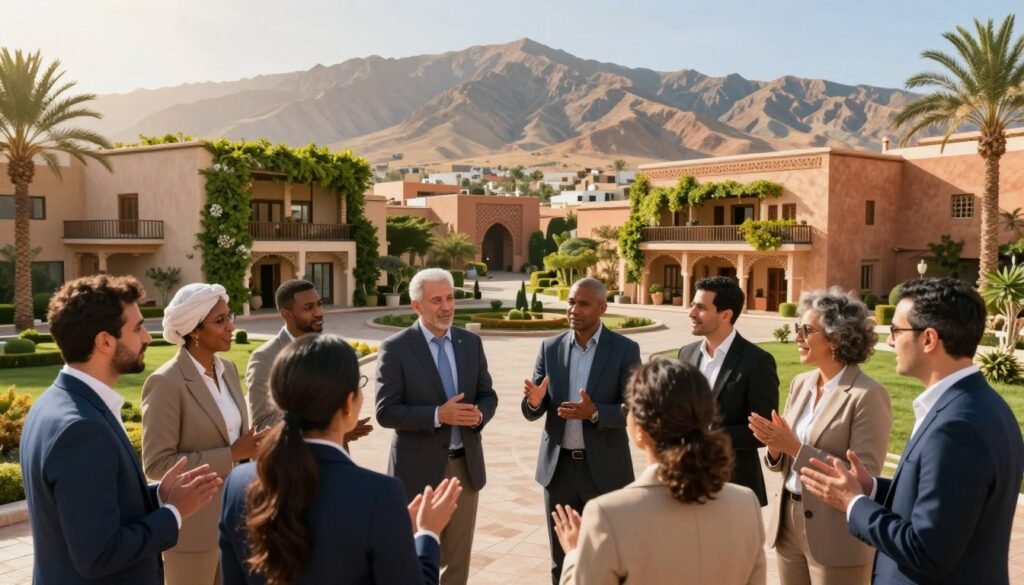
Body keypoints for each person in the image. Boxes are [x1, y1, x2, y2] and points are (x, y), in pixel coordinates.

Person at [801, 278, 1024, 584]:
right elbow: (944, 503)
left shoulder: (956, 427)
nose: (890, 342)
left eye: (895, 331)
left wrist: (853, 502)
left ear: (929, 339)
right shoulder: (980, 404)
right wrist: (874, 489)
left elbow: (927, 551)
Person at [20, 274, 222, 585]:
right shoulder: (82, 429)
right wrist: (173, 513)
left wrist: (157, 497)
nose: (147, 338)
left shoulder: (55, 402)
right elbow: (99, 554)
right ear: (104, 341)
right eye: (138, 328)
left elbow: (92, 510)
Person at [220, 334, 461, 584]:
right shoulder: (379, 495)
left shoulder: (237, 484)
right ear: (349, 403)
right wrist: (427, 535)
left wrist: (394, 530)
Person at [553, 358, 766, 585]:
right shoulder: (745, 504)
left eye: (628, 409)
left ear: (640, 430)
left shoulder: (608, 515)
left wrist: (576, 555)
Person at [749, 288, 892, 585]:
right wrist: (775, 448)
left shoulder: (868, 395)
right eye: (796, 328)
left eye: (806, 330)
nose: (797, 337)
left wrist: (794, 447)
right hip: (787, 522)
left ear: (836, 338)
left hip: (836, 533)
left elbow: (862, 477)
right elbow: (784, 458)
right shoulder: (801, 383)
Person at [375, 268, 499, 585]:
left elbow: (488, 395)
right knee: (411, 559)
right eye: (436, 300)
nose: (446, 306)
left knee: (457, 564)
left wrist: (480, 415)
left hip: (465, 470)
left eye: (449, 297)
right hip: (416, 471)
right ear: (416, 305)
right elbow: (386, 411)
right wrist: (437, 415)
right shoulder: (396, 348)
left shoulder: (470, 343)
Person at [141, 283, 269, 585]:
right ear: (194, 330)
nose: (230, 327)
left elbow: (236, 440)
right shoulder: (166, 383)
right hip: (193, 531)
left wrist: (257, 446)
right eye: (220, 320)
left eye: (229, 316)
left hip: (239, 521)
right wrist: (232, 454)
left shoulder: (228, 369)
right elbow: (157, 464)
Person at [522, 277, 642, 584]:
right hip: (558, 471)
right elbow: (533, 407)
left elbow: (634, 408)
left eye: (584, 304)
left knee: (607, 557)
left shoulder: (625, 350)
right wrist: (535, 402)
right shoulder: (550, 348)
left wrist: (596, 412)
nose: (574, 309)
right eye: (571, 302)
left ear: (602, 307)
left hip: (605, 471)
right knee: (560, 559)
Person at [678, 275, 779, 505]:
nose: (691, 313)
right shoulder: (686, 353)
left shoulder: (757, 361)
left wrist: (708, 435)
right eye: (693, 305)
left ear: (726, 315)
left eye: (701, 307)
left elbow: (763, 432)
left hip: (734, 489)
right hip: (686, 483)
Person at [246, 279, 371, 444]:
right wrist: (329, 430)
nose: (319, 312)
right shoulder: (265, 357)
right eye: (309, 307)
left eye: (319, 304)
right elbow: (262, 425)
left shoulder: (328, 351)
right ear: (287, 314)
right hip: (292, 464)